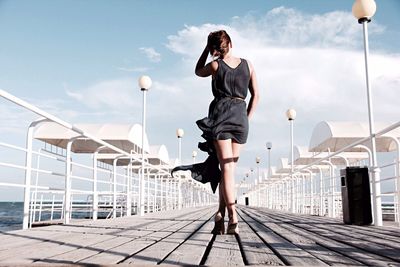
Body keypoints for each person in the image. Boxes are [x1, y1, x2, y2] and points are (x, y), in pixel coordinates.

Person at [194, 30, 259, 235]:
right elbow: (256, 95)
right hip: (240, 118)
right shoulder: (248, 65)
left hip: (221, 117)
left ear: (214, 48)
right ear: (230, 43)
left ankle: (232, 214)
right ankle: (220, 215)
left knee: (227, 169)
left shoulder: (215, 65)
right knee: (228, 169)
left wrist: (205, 49)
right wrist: (246, 119)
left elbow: (197, 71)